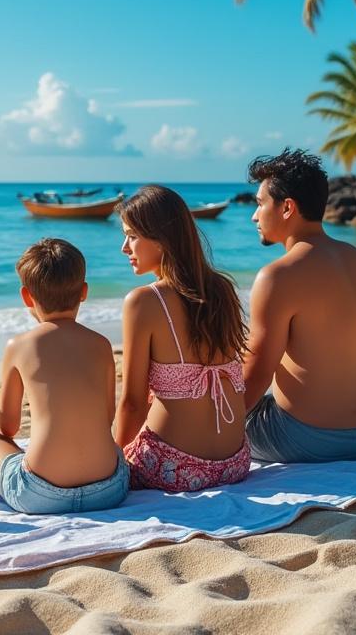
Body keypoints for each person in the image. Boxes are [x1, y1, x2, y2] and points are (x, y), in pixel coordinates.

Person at [0, 238, 129, 514]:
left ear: (26, 296)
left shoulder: (20, 345)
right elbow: (107, 415)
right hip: (109, 490)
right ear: (83, 292)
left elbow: (9, 427)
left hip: (40, 495)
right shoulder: (101, 344)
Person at [243, 148, 356, 463]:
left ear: (287, 208)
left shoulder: (277, 276)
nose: (254, 216)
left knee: (199, 415)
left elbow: (256, 377)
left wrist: (213, 429)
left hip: (304, 440)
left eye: (259, 204)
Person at [115, 185, 251, 492]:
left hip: (173, 468)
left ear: (162, 240)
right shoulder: (222, 290)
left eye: (132, 236)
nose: (125, 247)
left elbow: (133, 403)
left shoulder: (144, 301)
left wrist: (116, 462)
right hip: (236, 463)